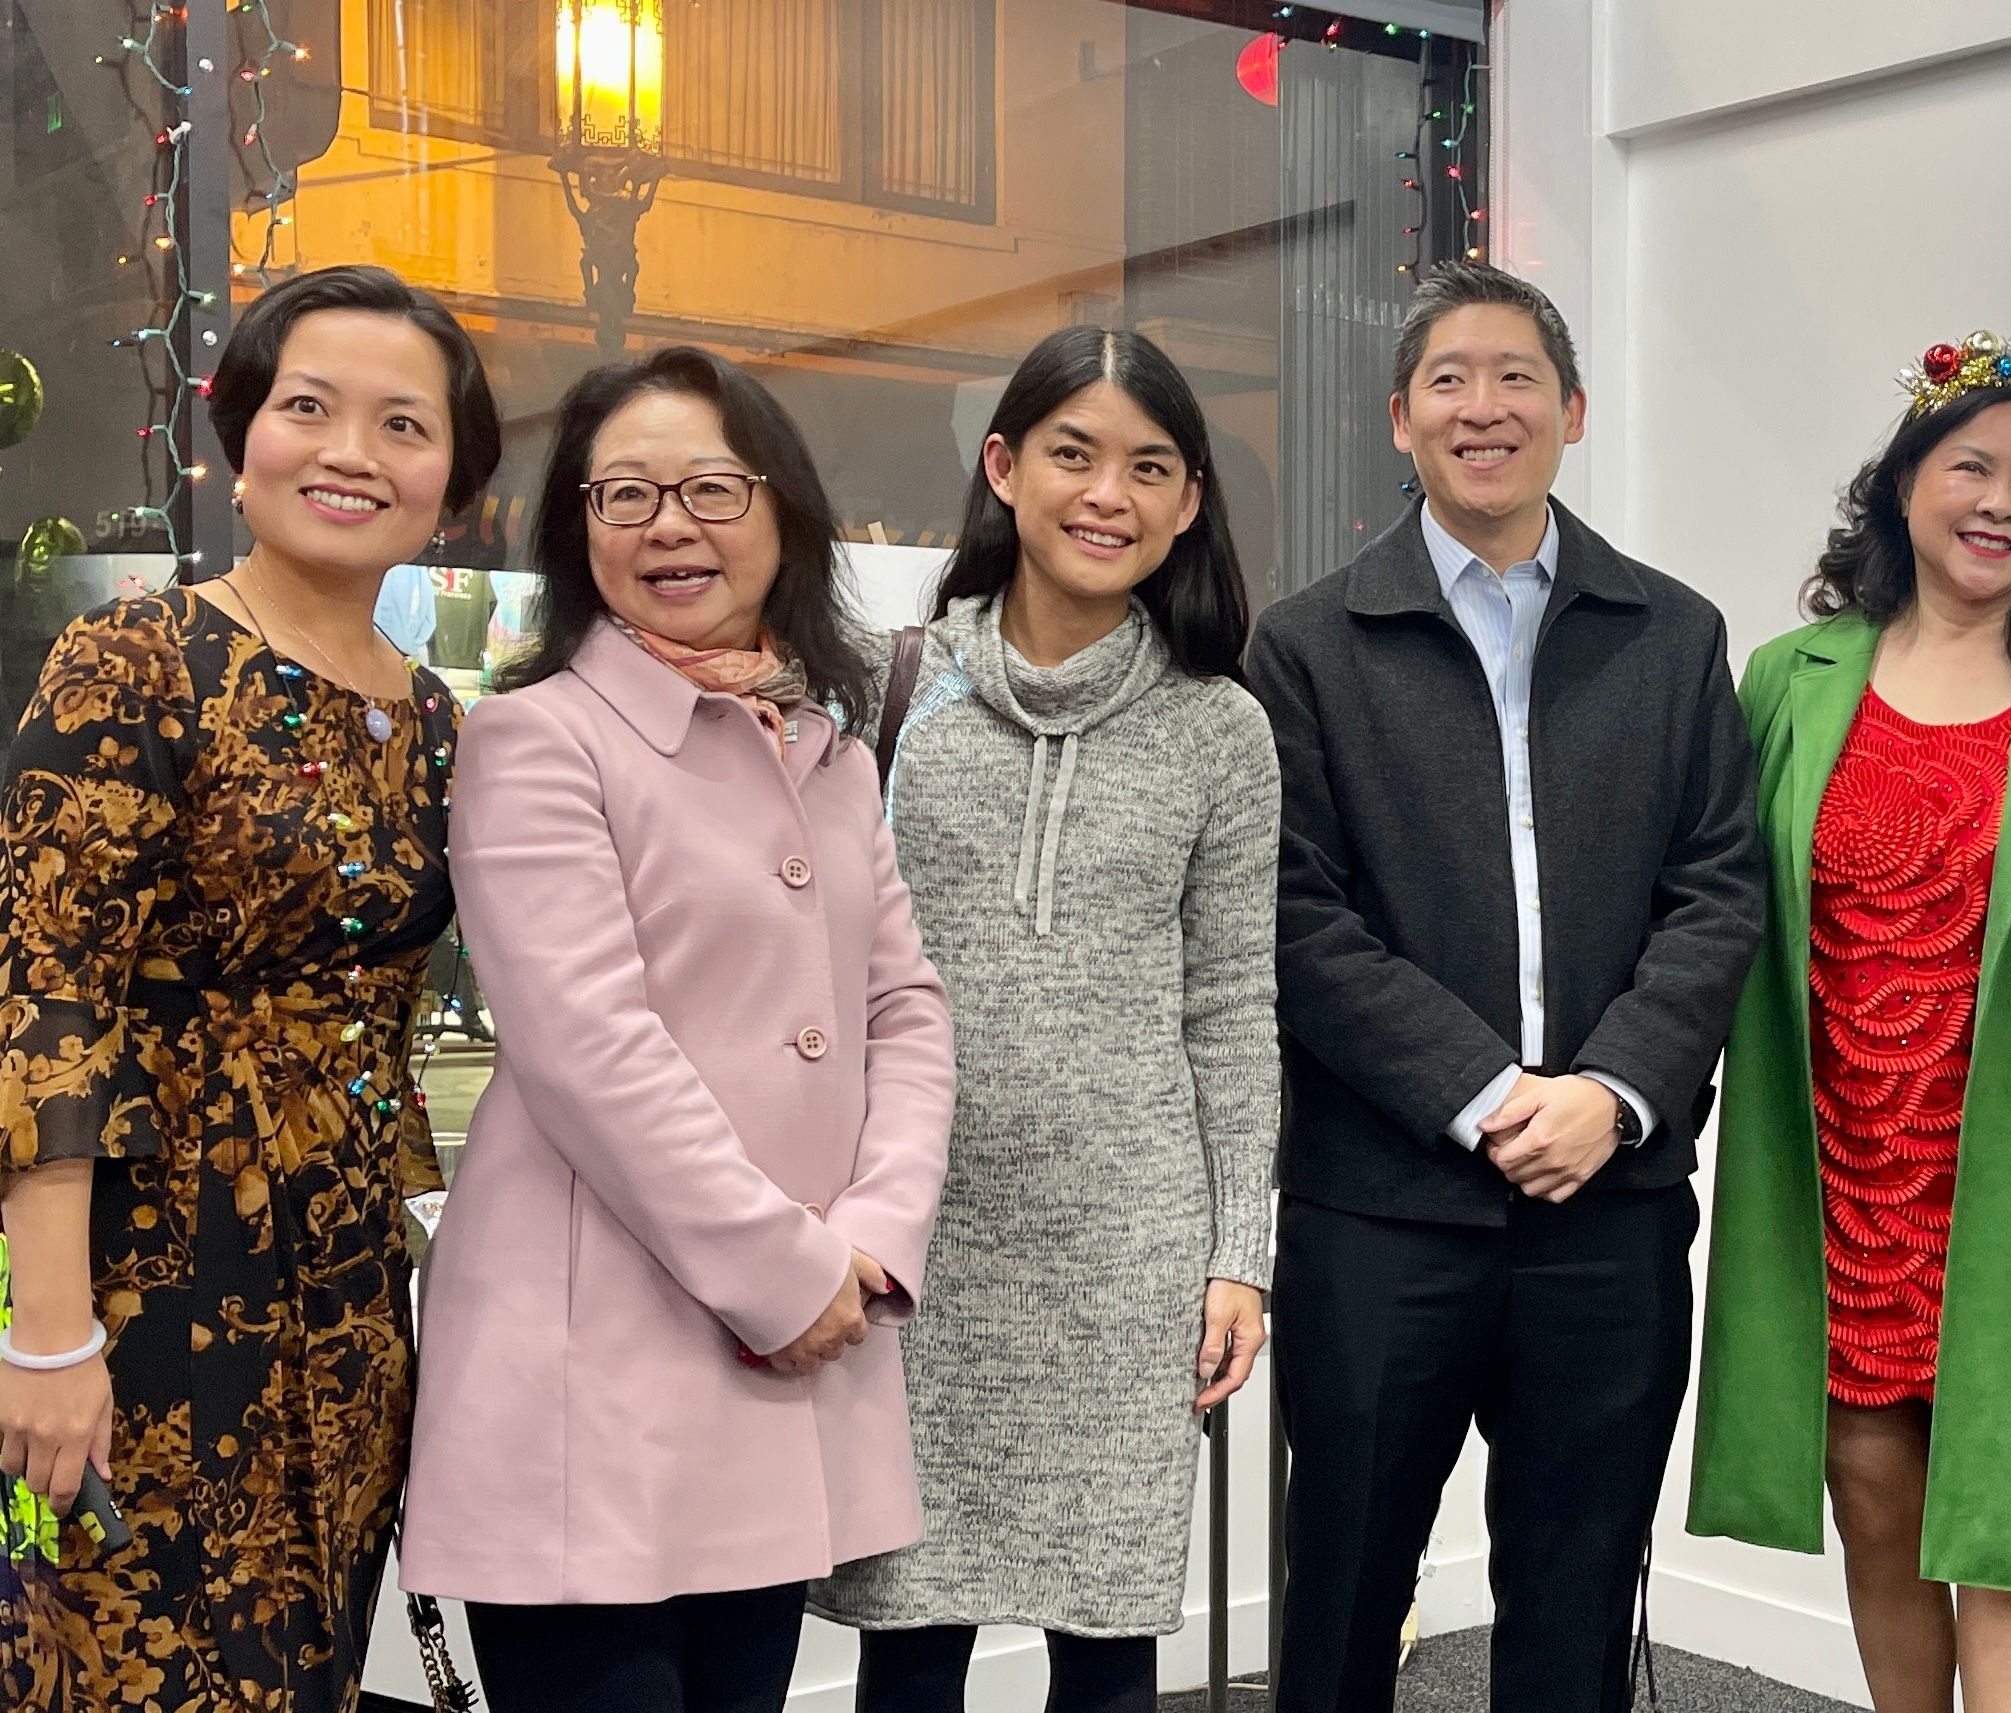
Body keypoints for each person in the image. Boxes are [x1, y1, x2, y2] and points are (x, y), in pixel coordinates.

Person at [398, 347, 955, 1713]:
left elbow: (906, 1008)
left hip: (781, 1360)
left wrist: (873, 1244)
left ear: (784, 516)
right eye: (623, 494)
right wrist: (784, 1275)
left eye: (710, 486)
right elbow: (588, 1045)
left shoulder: (818, 743)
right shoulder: (536, 738)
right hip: (595, 1376)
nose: (667, 525)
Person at [1247, 260, 1764, 1713]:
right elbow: (1295, 914)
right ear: (1400, 416)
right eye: (1451, 381)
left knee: (1577, 1588)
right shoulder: (1304, 643)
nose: (1487, 406)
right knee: (1346, 1583)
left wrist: (1610, 1092)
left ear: (1573, 410)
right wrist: (1480, 1094)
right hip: (1380, 1210)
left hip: (1605, 1205)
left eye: (1517, 376)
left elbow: (1717, 890)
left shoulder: (1670, 634)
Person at [1686, 331, 2011, 1713]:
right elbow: (1726, 914)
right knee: (1870, 1488)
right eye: (1969, 465)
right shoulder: (1791, 680)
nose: (1999, 501)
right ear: (1904, 486)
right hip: (1845, 1158)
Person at [0, 264, 500, 1711]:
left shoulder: (438, 719)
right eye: (309, 407)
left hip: (346, 1303)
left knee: (311, 1669)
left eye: (403, 424)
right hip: (143, 1293)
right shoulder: (137, 657)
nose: (351, 451)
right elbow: (44, 998)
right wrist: (50, 1331)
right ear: (241, 433)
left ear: (453, 476)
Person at [810, 326, 1278, 1713]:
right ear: (1003, 467)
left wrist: (1234, 1250)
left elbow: (1232, 1003)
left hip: (1125, 1241)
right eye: (1071, 454)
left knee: (1108, 1632)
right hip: (914, 1223)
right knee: (909, 1635)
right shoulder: (888, 692)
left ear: (1188, 500)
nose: (1106, 495)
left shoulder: (1220, 728)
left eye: (1147, 466)